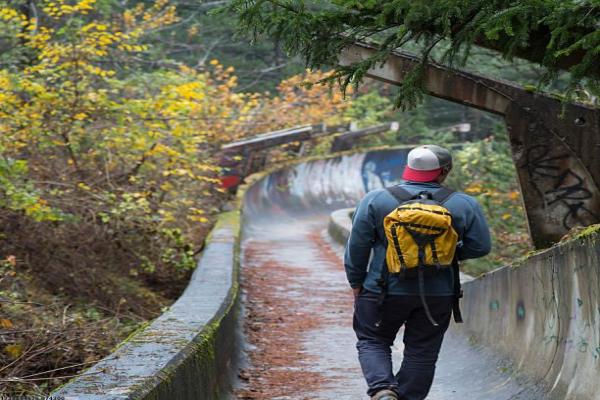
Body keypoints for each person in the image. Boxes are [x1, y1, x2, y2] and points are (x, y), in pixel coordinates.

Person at [344, 144, 491, 400]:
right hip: (438, 293)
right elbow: (480, 246)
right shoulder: (464, 204)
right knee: (422, 352)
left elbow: (357, 247)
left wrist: (357, 283)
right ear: (444, 171)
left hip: (381, 289)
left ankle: (382, 389)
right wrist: (444, 255)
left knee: (373, 340)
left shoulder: (376, 200)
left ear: (408, 169)